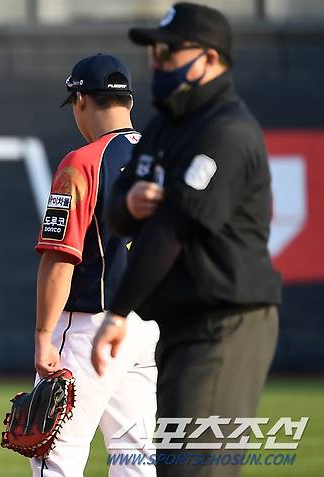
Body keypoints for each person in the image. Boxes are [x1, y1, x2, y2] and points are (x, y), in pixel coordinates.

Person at [91, 4, 281, 476]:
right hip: (180, 325)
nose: (157, 60)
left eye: (171, 51)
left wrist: (117, 312)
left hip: (224, 323)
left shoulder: (226, 131)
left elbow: (172, 228)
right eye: (154, 50)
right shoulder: (165, 126)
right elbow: (118, 212)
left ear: (211, 59)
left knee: (196, 470)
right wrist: (130, 204)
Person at [33, 53, 159, 477]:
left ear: (81, 99)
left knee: (55, 452)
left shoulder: (83, 162)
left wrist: (43, 335)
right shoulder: (162, 157)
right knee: (135, 454)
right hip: (147, 328)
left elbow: (60, 255)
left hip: (90, 326)